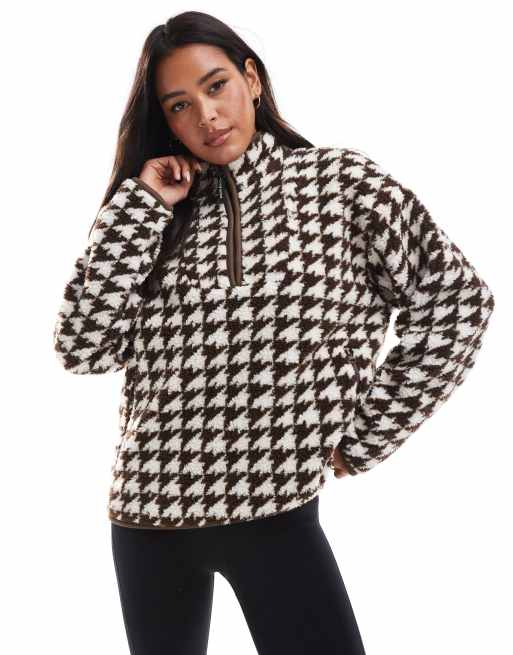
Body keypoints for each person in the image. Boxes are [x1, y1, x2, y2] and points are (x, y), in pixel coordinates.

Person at [52, 10, 494, 655]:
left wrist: (366, 435)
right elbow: (81, 347)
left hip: (276, 509)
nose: (206, 115)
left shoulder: (341, 186)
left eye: (216, 86)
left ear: (251, 79)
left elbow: (458, 301)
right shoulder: (161, 212)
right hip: (147, 516)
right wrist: (141, 206)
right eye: (179, 105)